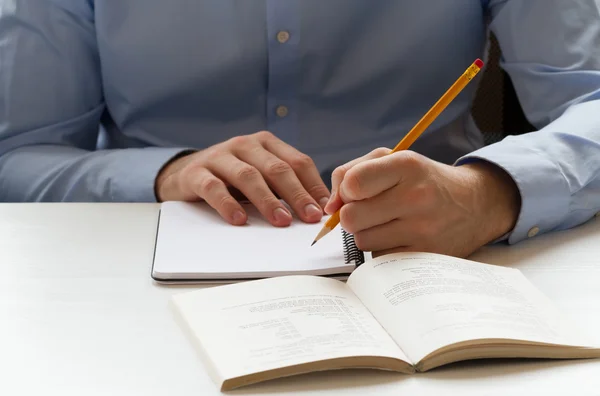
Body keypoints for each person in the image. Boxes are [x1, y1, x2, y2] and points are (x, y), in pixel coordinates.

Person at [1, 1, 599, 258]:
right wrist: (166, 171)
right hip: (126, 264)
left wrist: (489, 194)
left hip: (446, 261)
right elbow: (18, 157)